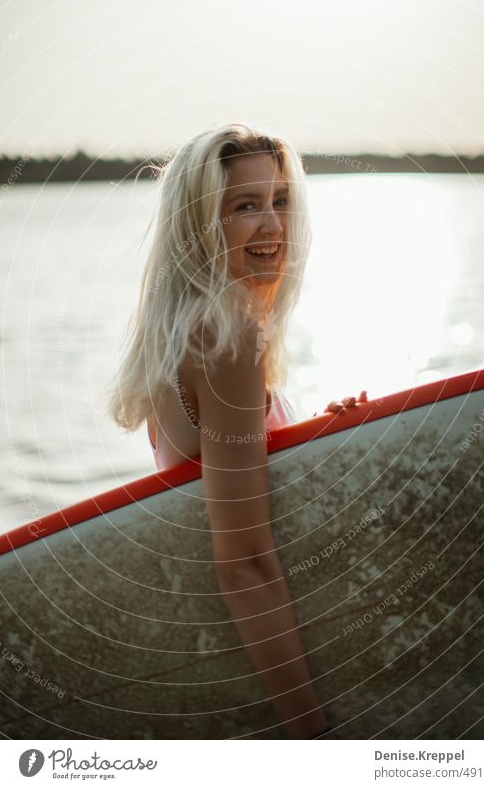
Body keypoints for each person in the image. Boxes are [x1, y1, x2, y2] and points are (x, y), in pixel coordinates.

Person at [106, 121, 366, 739]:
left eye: (280, 201)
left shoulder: (183, 331)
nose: (273, 226)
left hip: (228, 659)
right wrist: (312, 735)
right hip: (267, 667)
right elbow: (242, 564)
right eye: (245, 206)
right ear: (200, 225)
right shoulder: (224, 337)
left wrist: (312, 445)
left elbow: (208, 480)